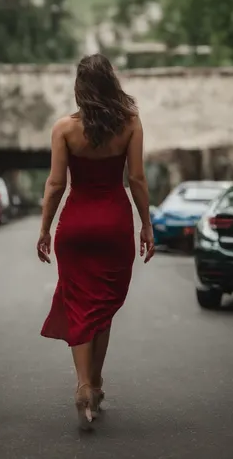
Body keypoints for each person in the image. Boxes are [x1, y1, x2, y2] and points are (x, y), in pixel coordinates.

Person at [37, 53, 155, 430]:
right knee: (102, 306)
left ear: (80, 87)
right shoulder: (131, 124)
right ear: (111, 83)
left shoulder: (64, 129)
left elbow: (56, 184)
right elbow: (136, 179)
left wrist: (44, 228)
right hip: (114, 224)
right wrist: (146, 225)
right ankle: (97, 384)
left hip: (76, 225)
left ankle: (84, 386)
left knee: (78, 303)